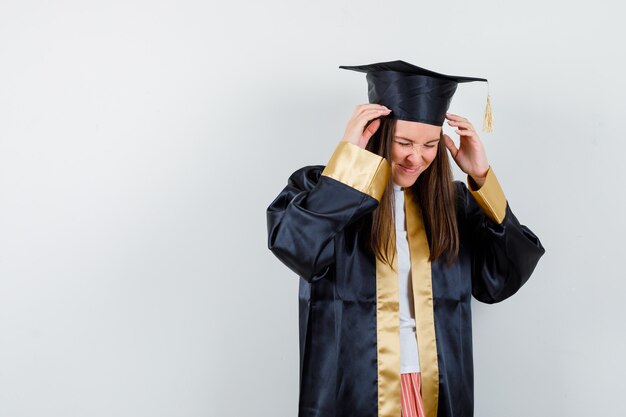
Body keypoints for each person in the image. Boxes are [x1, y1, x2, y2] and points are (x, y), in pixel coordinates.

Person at [266, 60, 545, 417]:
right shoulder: (325, 189)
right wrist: (350, 162)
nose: (417, 157)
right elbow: (295, 246)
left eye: (430, 144)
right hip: (352, 387)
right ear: (378, 133)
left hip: (436, 389)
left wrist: (481, 177)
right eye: (403, 142)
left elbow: (500, 280)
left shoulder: (453, 204)